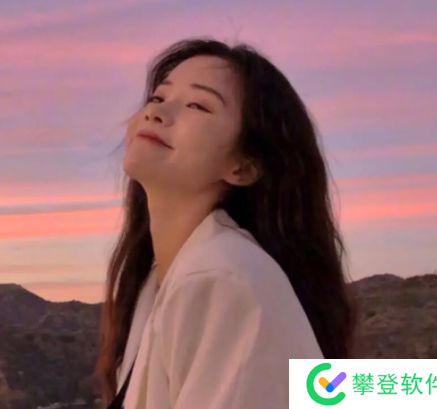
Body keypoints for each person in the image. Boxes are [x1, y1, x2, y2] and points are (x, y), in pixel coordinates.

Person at [96, 37, 355, 409]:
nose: (156, 112)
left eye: (197, 105)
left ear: (243, 166)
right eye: (157, 97)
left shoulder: (223, 278)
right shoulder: (161, 284)